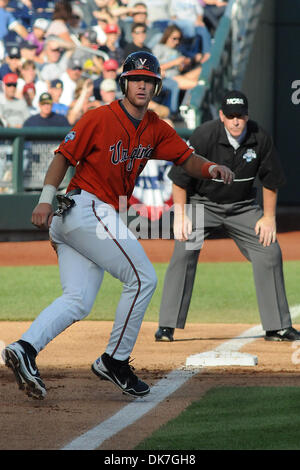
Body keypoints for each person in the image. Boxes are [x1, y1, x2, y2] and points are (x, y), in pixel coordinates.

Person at [2, 51, 233, 400]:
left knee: (78, 300)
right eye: (136, 79)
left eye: (149, 80)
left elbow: (186, 158)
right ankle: (116, 360)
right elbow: (64, 156)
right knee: (143, 279)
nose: (142, 84)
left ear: (156, 86)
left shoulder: (155, 127)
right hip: (84, 207)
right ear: (124, 83)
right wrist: (44, 199)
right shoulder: (99, 117)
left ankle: (25, 349)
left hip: (84, 217)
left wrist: (211, 168)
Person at [155, 90, 300, 343]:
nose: (236, 121)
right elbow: (179, 179)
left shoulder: (259, 137)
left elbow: (271, 181)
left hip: (242, 206)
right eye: (231, 115)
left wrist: (269, 218)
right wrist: (181, 215)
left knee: (269, 249)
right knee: (185, 249)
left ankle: (277, 326)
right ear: (221, 116)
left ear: (247, 116)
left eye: (240, 116)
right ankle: (167, 325)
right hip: (203, 204)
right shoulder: (204, 135)